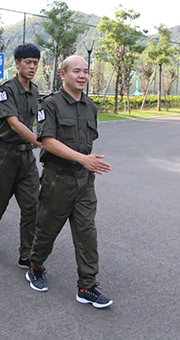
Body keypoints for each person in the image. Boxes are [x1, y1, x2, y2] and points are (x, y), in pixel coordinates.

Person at [26, 55, 113, 309]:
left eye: (85, 71)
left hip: (84, 181)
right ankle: (35, 267)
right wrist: (82, 159)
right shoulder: (50, 105)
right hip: (58, 180)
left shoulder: (90, 106)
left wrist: (86, 162)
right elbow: (48, 142)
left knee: (87, 234)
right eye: (76, 71)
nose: (82, 76)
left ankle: (87, 286)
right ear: (63, 74)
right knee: (47, 231)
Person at [0, 44, 42, 268]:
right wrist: (41, 142)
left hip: (27, 157)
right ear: (17, 63)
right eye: (28, 62)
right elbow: (13, 123)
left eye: (35, 63)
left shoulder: (34, 91)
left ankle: (26, 254)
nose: (32, 67)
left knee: (32, 207)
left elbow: (22, 122)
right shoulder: (5, 89)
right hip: (5, 156)